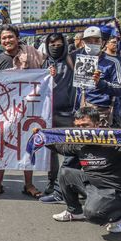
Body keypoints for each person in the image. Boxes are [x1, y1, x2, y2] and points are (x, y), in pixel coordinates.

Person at [44, 107, 121, 233]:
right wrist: (42, 138)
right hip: (93, 185)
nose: (82, 130)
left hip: (116, 191)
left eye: (85, 125)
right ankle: (75, 212)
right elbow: (62, 148)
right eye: (78, 126)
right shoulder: (79, 141)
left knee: (92, 214)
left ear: (97, 124)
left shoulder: (116, 140)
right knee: (65, 173)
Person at [0, 24, 45, 198]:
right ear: (0, 41)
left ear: (17, 38)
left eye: (10, 37)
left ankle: (29, 184)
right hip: (4, 111)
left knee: (28, 144)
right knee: (2, 146)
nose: (7, 40)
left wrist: (50, 73)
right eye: (4, 38)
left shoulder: (32, 55)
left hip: (29, 109)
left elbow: (43, 75)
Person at [39, 33, 76, 201]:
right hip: (49, 113)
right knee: (51, 152)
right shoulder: (43, 63)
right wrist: (45, 74)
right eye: (52, 44)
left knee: (71, 151)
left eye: (59, 44)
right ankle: (52, 182)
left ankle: (68, 184)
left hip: (68, 113)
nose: (55, 46)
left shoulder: (71, 60)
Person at [73, 26, 121, 127]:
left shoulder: (113, 62)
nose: (92, 44)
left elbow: (120, 89)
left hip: (105, 113)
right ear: (83, 43)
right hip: (84, 114)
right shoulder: (80, 61)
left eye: (96, 41)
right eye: (88, 41)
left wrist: (100, 83)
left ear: (102, 42)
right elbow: (77, 90)